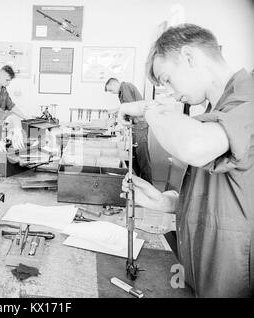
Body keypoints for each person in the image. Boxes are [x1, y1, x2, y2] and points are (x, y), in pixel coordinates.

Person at [118, 24, 254, 297]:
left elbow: (195, 146)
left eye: (167, 78)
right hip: (201, 271)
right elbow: (228, 200)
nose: (171, 91)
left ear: (190, 57)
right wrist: (166, 202)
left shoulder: (248, 98)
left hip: (231, 279)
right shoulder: (217, 111)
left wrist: (148, 108)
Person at [105, 78, 152, 183]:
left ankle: (148, 185)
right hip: (136, 127)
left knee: (142, 158)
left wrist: (117, 113)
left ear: (113, 84)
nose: (112, 93)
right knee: (134, 158)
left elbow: (130, 107)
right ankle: (140, 184)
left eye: (111, 90)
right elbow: (127, 107)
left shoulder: (125, 87)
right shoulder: (124, 90)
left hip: (140, 126)